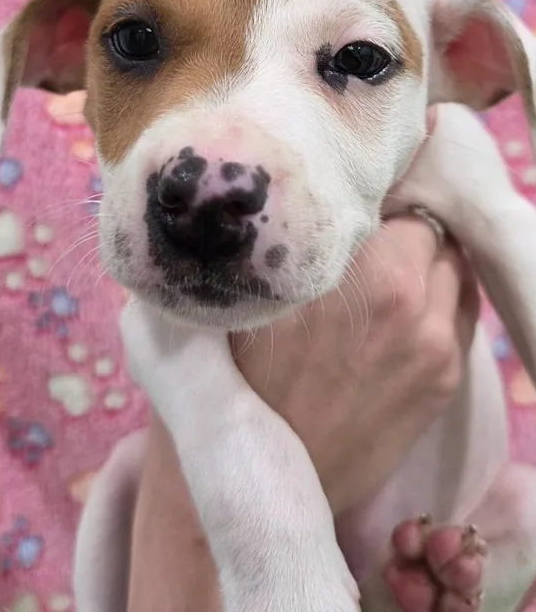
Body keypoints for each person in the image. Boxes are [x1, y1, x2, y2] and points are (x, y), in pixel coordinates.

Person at [124, 148, 481, 611]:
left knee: (529, 513)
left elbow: (513, 231)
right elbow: (150, 330)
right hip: (164, 554)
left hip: (435, 504)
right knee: (121, 479)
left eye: (356, 66)